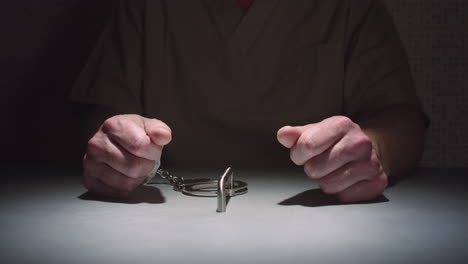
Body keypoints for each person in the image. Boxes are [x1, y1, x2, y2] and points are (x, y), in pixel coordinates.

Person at [71, 0, 428, 202]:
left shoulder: (351, 7)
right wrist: (119, 149)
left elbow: (401, 117)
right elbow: (102, 112)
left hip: (324, 210)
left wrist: (373, 151)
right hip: (161, 208)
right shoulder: (146, 7)